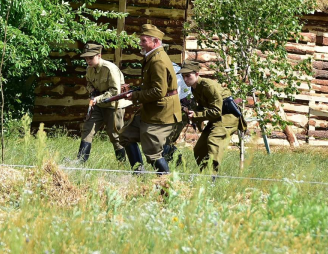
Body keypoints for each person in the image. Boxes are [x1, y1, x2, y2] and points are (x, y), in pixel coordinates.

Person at [117, 24, 182, 174]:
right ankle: (138, 175)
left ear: (156, 41)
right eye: (141, 40)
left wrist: (135, 95)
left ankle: (168, 187)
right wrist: (135, 91)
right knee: (126, 136)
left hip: (160, 113)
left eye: (144, 40)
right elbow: (152, 86)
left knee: (153, 153)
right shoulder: (153, 57)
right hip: (151, 110)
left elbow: (159, 91)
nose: (140, 43)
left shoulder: (157, 60)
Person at [179, 60, 246, 174]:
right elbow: (205, 108)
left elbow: (216, 111)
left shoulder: (208, 85)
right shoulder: (195, 88)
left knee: (213, 140)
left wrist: (196, 115)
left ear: (196, 74)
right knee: (200, 149)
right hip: (217, 116)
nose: (185, 79)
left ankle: (213, 176)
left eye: (188, 76)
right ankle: (205, 175)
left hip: (228, 116)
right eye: (183, 76)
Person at [75, 43, 130, 163]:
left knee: (115, 135)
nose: (88, 61)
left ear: (99, 55)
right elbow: (89, 83)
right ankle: (80, 161)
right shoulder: (89, 69)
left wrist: (97, 98)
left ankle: (122, 163)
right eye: (86, 58)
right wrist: (92, 91)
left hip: (114, 105)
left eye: (91, 58)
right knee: (87, 130)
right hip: (98, 105)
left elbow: (115, 91)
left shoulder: (110, 68)